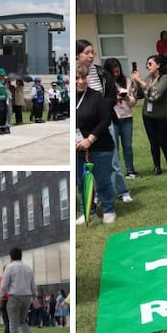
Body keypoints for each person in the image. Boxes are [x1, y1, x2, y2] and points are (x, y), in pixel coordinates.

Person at [74, 64, 117, 225]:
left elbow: (105, 120)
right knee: (81, 182)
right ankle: (88, 212)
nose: (80, 81)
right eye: (76, 78)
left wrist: (90, 139)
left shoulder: (96, 96)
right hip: (77, 148)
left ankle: (108, 209)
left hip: (100, 146)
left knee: (102, 180)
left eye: (83, 78)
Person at [130, 55, 167, 174]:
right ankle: (157, 167)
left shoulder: (165, 78)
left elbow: (155, 95)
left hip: (162, 116)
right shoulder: (147, 78)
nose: (147, 66)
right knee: (153, 142)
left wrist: (141, 82)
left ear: (158, 65)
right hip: (148, 116)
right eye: (147, 64)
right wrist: (136, 83)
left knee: (163, 141)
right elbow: (139, 95)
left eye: (150, 64)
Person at [0, 247, 36, 333]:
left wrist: (0, 296)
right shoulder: (28, 268)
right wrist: (34, 296)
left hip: (14, 296)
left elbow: (4, 284)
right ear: (21, 256)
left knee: (13, 323)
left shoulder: (10, 267)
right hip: (27, 297)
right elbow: (33, 284)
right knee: (22, 320)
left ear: (11, 257)